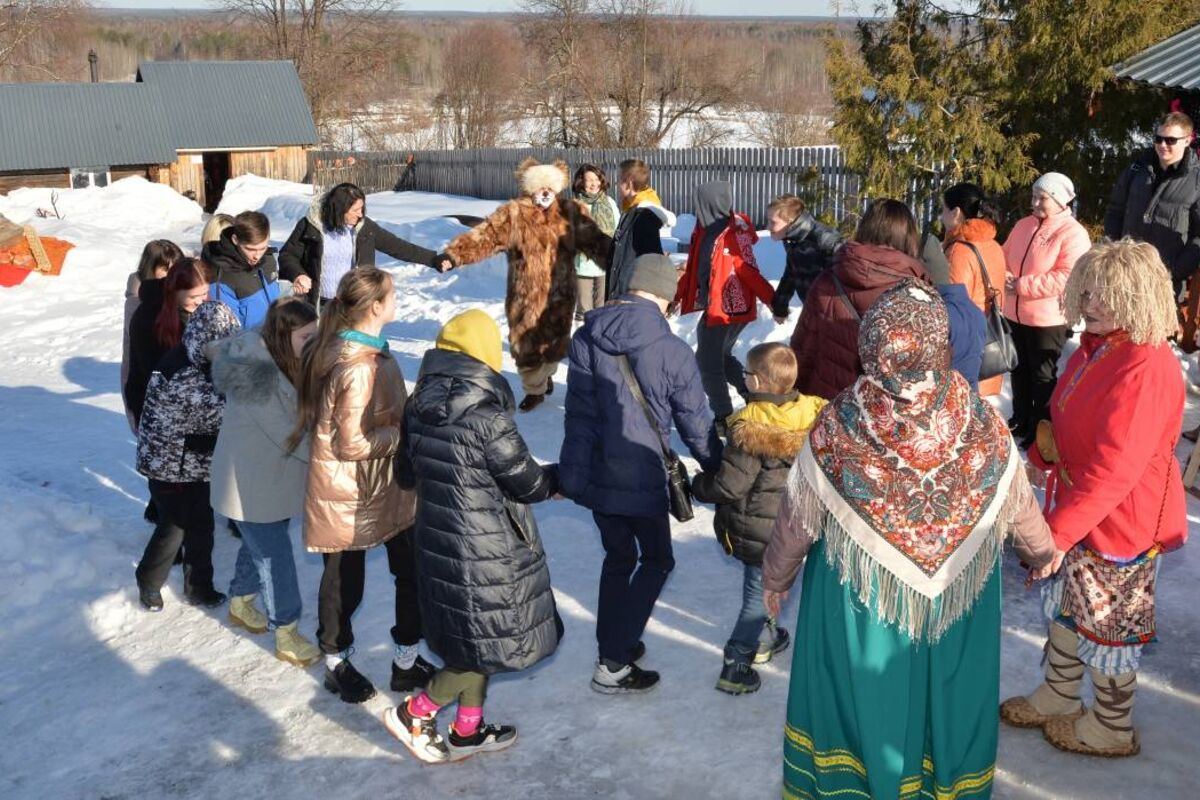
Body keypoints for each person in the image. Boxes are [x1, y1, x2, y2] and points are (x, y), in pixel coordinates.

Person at [762, 281, 1055, 800]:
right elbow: (1019, 502)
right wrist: (1041, 553)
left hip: (863, 601)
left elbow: (797, 516)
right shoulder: (982, 421)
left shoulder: (840, 422)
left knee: (864, 696)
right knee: (948, 694)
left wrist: (775, 577)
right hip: (956, 602)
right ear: (938, 345)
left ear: (872, 345)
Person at [1002, 240, 1187, 758]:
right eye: (1089, 289)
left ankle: (1111, 725)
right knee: (1068, 609)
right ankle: (1060, 696)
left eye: (1109, 293)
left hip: (1121, 524)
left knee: (1110, 625)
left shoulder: (1145, 366)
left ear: (1140, 297)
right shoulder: (1096, 349)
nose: (1092, 302)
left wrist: (1056, 535)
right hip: (1080, 510)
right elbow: (1073, 424)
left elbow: (1115, 469)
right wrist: (1046, 454)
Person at [384, 310, 561, 763]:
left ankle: (467, 729)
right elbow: (530, 486)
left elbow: (404, 473)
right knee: (481, 643)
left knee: (476, 638)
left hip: (438, 542)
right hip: (485, 548)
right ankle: (415, 712)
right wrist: (560, 477)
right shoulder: (488, 418)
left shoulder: (418, 401)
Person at [559, 253, 722, 694]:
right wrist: (717, 466)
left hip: (598, 476)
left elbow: (579, 414)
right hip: (643, 475)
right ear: (666, 296)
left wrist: (573, 474)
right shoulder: (672, 351)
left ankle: (614, 645)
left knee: (618, 558)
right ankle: (613, 660)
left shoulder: (586, 337)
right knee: (656, 560)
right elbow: (694, 422)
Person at [290, 267, 431, 704]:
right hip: (348, 490)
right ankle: (335, 662)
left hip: (384, 484)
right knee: (343, 579)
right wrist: (406, 435)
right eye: (392, 295)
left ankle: (406, 662)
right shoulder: (357, 367)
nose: (396, 300)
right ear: (375, 307)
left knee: (410, 571)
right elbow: (351, 443)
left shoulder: (364, 351)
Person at [690, 343, 825, 695]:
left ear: (760, 382)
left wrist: (699, 485)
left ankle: (736, 662)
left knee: (756, 593)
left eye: (747, 374)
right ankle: (768, 635)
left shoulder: (753, 427)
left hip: (758, 528)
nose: (744, 378)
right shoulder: (811, 414)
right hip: (794, 527)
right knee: (771, 584)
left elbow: (731, 485)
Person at [444, 158, 613, 411]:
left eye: (550, 188)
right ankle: (534, 389)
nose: (545, 193)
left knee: (554, 344)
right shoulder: (513, 214)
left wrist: (625, 260)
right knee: (526, 345)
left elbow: (597, 243)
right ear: (529, 188)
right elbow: (485, 237)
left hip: (560, 295)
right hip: (525, 297)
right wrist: (454, 255)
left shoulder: (570, 212)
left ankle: (544, 377)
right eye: (539, 187)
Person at [210, 297, 321, 668]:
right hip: (247, 485)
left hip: (268, 479)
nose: (313, 342)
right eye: (307, 336)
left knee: (260, 543)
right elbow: (288, 432)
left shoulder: (285, 357)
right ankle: (286, 630)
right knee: (275, 556)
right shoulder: (255, 376)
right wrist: (333, 455)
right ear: (283, 333)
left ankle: (240, 600)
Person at [134, 301, 242, 612]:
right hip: (170, 467)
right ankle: (149, 579)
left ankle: (199, 588)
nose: (227, 352)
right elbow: (222, 414)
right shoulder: (184, 375)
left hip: (191, 463)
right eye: (221, 346)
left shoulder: (198, 362)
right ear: (202, 340)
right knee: (176, 527)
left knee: (200, 525)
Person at [789, 198, 930, 399]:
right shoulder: (918, 294)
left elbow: (802, 347)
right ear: (909, 237)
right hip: (886, 412)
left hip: (828, 407)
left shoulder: (827, 282)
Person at [674, 180, 776, 427]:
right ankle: (755, 399)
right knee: (719, 357)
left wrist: (774, 301)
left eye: (699, 202)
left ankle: (724, 417)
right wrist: (677, 295)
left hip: (730, 309)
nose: (696, 207)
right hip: (715, 306)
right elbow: (694, 269)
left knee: (707, 364)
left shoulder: (734, 233)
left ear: (710, 203)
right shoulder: (704, 231)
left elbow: (749, 271)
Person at [1002, 173, 1091, 448]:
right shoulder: (1022, 225)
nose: (1036, 203)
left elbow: (1066, 276)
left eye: (1043, 198)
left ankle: (1040, 429)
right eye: (1034, 196)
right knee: (1018, 370)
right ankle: (1020, 418)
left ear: (1060, 201)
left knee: (1041, 376)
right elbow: (1003, 255)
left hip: (1047, 318)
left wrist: (1021, 285)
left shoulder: (1073, 233)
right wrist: (1003, 276)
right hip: (1014, 313)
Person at [278, 182, 452, 307]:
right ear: (339, 209)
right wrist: (298, 274)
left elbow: (398, 246)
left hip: (354, 305)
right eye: (355, 210)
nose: (360, 215)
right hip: (319, 305)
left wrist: (433, 259)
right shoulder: (312, 226)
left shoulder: (365, 229)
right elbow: (287, 255)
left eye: (362, 209)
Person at [1104, 111, 1200, 294]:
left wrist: (1176, 271)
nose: (1163, 145)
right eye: (1158, 138)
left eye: (1171, 140)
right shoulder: (1137, 168)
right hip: (1123, 273)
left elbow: (1198, 235)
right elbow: (1115, 211)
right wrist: (1113, 250)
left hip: (1163, 283)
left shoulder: (1196, 181)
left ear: (1187, 140)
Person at [125, 258, 211, 431]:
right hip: (157, 409)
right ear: (175, 292)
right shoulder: (148, 318)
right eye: (193, 296)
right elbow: (155, 373)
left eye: (204, 294)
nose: (200, 301)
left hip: (197, 408)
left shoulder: (205, 311)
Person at [941, 182, 1007, 397]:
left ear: (956, 212)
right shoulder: (993, 245)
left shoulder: (958, 251)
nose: (941, 217)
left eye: (943, 209)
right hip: (990, 344)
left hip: (965, 354)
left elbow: (953, 308)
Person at [122, 240, 184, 432]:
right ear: (151, 269)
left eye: (176, 269)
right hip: (150, 395)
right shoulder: (139, 304)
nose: (171, 275)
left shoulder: (181, 295)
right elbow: (132, 358)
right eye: (165, 270)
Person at [605, 158, 677, 301]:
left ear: (629, 182)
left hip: (631, 296)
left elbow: (650, 259)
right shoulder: (630, 209)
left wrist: (637, 295)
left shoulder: (644, 216)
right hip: (620, 292)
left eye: (619, 180)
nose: (617, 185)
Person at [765, 194, 840, 322]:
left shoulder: (824, 239)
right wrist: (780, 308)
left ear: (790, 222)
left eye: (773, 222)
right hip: (814, 310)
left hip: (836, 316)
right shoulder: (793, 240)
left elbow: (849, 274)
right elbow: (791, 273)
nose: (767, 227)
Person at [201, 210, 281, 329]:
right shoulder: (223, 276)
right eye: (250, 249)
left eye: (262, 248)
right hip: (250, 345)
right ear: (235, 240)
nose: (257, 256)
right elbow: (228, 333)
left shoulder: (268, 260)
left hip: (278, 340)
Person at [572, 164, 620, 320]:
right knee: (584, 312)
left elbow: (617, 230)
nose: (594, 184)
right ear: (581, 182)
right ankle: (584, 340)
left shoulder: (610, 203)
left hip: (605, 263)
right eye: (589, 180)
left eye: (596, 179)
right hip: (583, 264)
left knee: (603, 309)